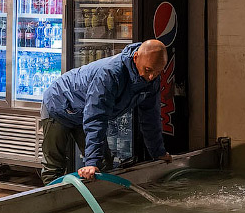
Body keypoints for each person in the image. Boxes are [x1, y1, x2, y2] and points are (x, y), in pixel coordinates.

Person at [40, 40, 172, 183]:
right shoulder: (110, 73)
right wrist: (90, 162)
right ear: (135, 58)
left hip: (83, 111)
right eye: (148, 70)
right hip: (59, 104)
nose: (152, 76)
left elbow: (150, 118)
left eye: (157, 71)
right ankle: (53, 202)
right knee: (54, 167)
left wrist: (158, 153)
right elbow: (96, 117)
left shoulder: (151, 81)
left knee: (103, 165)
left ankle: (97, 203)